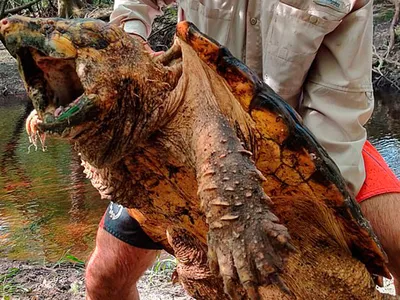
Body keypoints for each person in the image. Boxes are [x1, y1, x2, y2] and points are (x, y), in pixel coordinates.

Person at [85, 1, 400, 299]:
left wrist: (312, 213)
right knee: (104, 278)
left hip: (302, 138)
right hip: (188, 131)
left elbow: (339, 103)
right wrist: (128, 46)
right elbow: (133, 6)